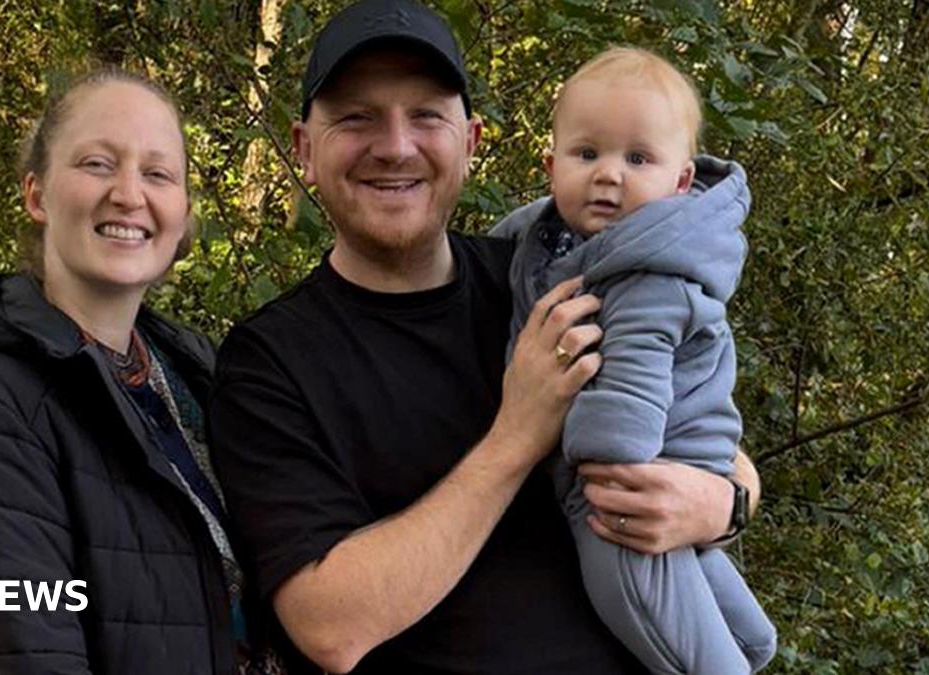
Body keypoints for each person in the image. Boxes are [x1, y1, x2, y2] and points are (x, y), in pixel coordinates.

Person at [208, 1, 762, 673]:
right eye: (357, 117)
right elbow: (331, 627)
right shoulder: (269, 361)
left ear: (470, 142)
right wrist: (517, 435)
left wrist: (718, 504)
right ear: (302, 148)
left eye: (426, 116)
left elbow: (716, 443)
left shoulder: (542, 279)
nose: (394, 145)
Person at [0, 68, 279, 674]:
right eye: (98, 164)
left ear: (182, 212)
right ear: (37, 193)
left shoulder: (195, 378)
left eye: (157, 173)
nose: (130, 194)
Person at [498, 46, 776, 673]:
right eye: (586, 153)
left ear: (681, 182)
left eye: (637, 158)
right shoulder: (562, 242)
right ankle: (751, 643)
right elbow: (525, 242)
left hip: (625, 487)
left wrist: (601, 460)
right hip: (678, 472)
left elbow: (634, 382)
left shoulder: (649, 274)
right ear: (550, 166)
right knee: (696, 578)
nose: (608, 175)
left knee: (644, 604)